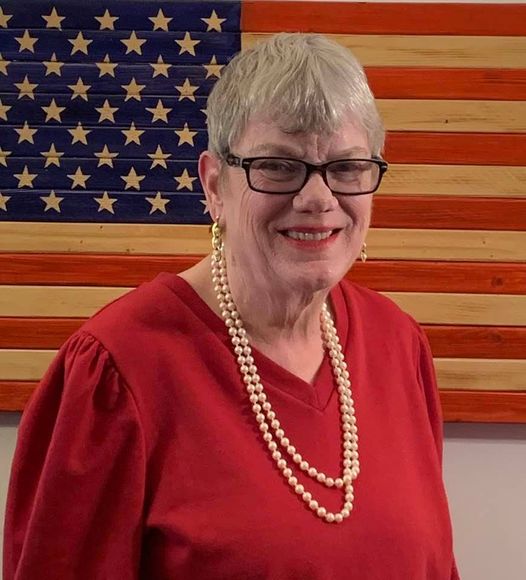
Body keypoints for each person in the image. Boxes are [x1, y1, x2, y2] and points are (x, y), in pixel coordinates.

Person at [3, 33, 459, 579]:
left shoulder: (398, 345)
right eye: (278, 165)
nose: (318, 199)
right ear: (215, 185)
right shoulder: (116, 370)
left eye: (346, 167)